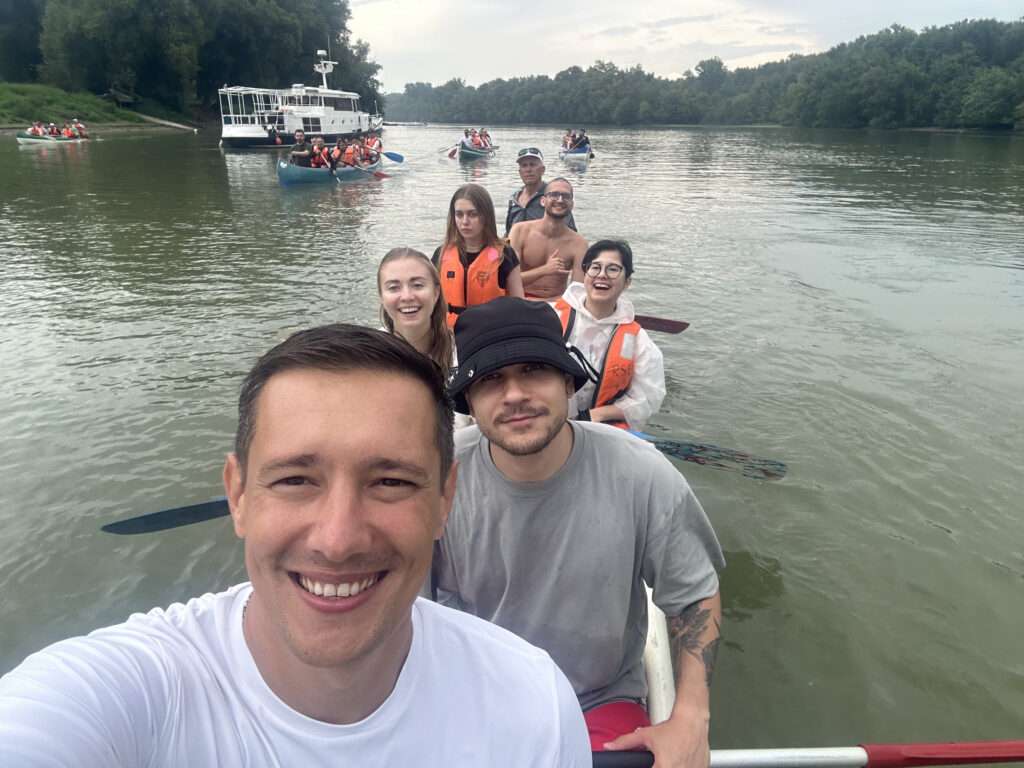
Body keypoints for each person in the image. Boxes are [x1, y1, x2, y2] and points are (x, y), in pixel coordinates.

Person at [0, 325, 592, 767]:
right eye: (294, 480)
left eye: (390, 482)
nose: (337, 541)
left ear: (444, 499)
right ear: (237, 496)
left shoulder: (532, 704)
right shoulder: (128, 696)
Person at [434, 297, 724, 765]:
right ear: (468, 400)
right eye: (490, 379)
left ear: (568, 382)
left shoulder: (640, 473)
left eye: (533, 371)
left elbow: (694, 594)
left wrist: (691, 716)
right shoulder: (438, 480)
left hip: (597, 698)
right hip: (478, 690)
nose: (514, 395)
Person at [554, 240, 665, 430]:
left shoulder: (639, 342)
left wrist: (596, 414)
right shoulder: (551, 318)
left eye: (613, 269)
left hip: (600, 428)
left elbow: (647, 398)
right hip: (550, 421)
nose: (602, 275)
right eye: (595, 267)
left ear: (627, 282)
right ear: (585, 274)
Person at [432, 184, 525, 327]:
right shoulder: (441, 254)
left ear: (486, 216)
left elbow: (519, 305)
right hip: (449, 334)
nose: (465, 222)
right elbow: (429, 299)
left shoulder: (505, 255)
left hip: (489, 334)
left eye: (472, 214)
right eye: (459, 214)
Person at [377, 247, 454, 376]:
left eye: (418, 285)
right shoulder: (369, 356)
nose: (407, 296)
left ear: (436, 293)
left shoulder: (462, 350)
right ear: (381, 297)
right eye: (394, 288)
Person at [508, 177, 587, 300]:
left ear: (572, 204)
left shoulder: (579, 244)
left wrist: (544, 303)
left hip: (555, 303)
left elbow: (577, 292)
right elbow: (507, 279)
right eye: (554, 195)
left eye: (566, 196)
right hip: (520, 299)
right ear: (543, 201)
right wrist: (545, 270)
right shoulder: (519, 231)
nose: (560, 200)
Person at [505, 148, 577, 235]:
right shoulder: (514, 199)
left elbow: (570, 233)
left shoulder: (554, 197)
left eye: (532, 165)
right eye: (524, 165)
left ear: (542, 170)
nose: (528, 170)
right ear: (520, 172)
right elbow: (509, 232)